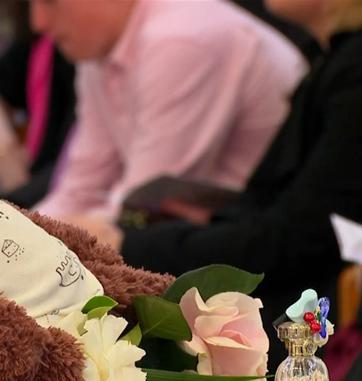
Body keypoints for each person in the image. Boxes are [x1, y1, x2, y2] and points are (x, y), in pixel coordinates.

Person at [77, 0, 362, 369]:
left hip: (310, 327)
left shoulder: (353, 71)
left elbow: (298, 241)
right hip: (285, 293)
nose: (38, 21)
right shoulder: (332, 59)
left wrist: (130, 242)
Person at [30, 0, 305, 222]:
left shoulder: (182, 38)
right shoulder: (100, 49)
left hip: (262, 257)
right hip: (202, 240)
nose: (38, 21)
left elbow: (140, 209)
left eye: (50, 2)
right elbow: (80, 188)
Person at [0, 34, 75, 208]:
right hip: (45, 196)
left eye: (49, 4)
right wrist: (5, 152)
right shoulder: (42, 45)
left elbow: (75, 175)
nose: (38, 21)